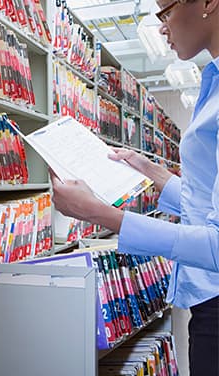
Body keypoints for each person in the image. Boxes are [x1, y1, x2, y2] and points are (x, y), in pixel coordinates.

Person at [50, 0, 219, 374]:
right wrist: (152, 173)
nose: (162, 28)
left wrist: (101, 214)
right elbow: (208, 202)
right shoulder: (213, 79)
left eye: (165, 11)